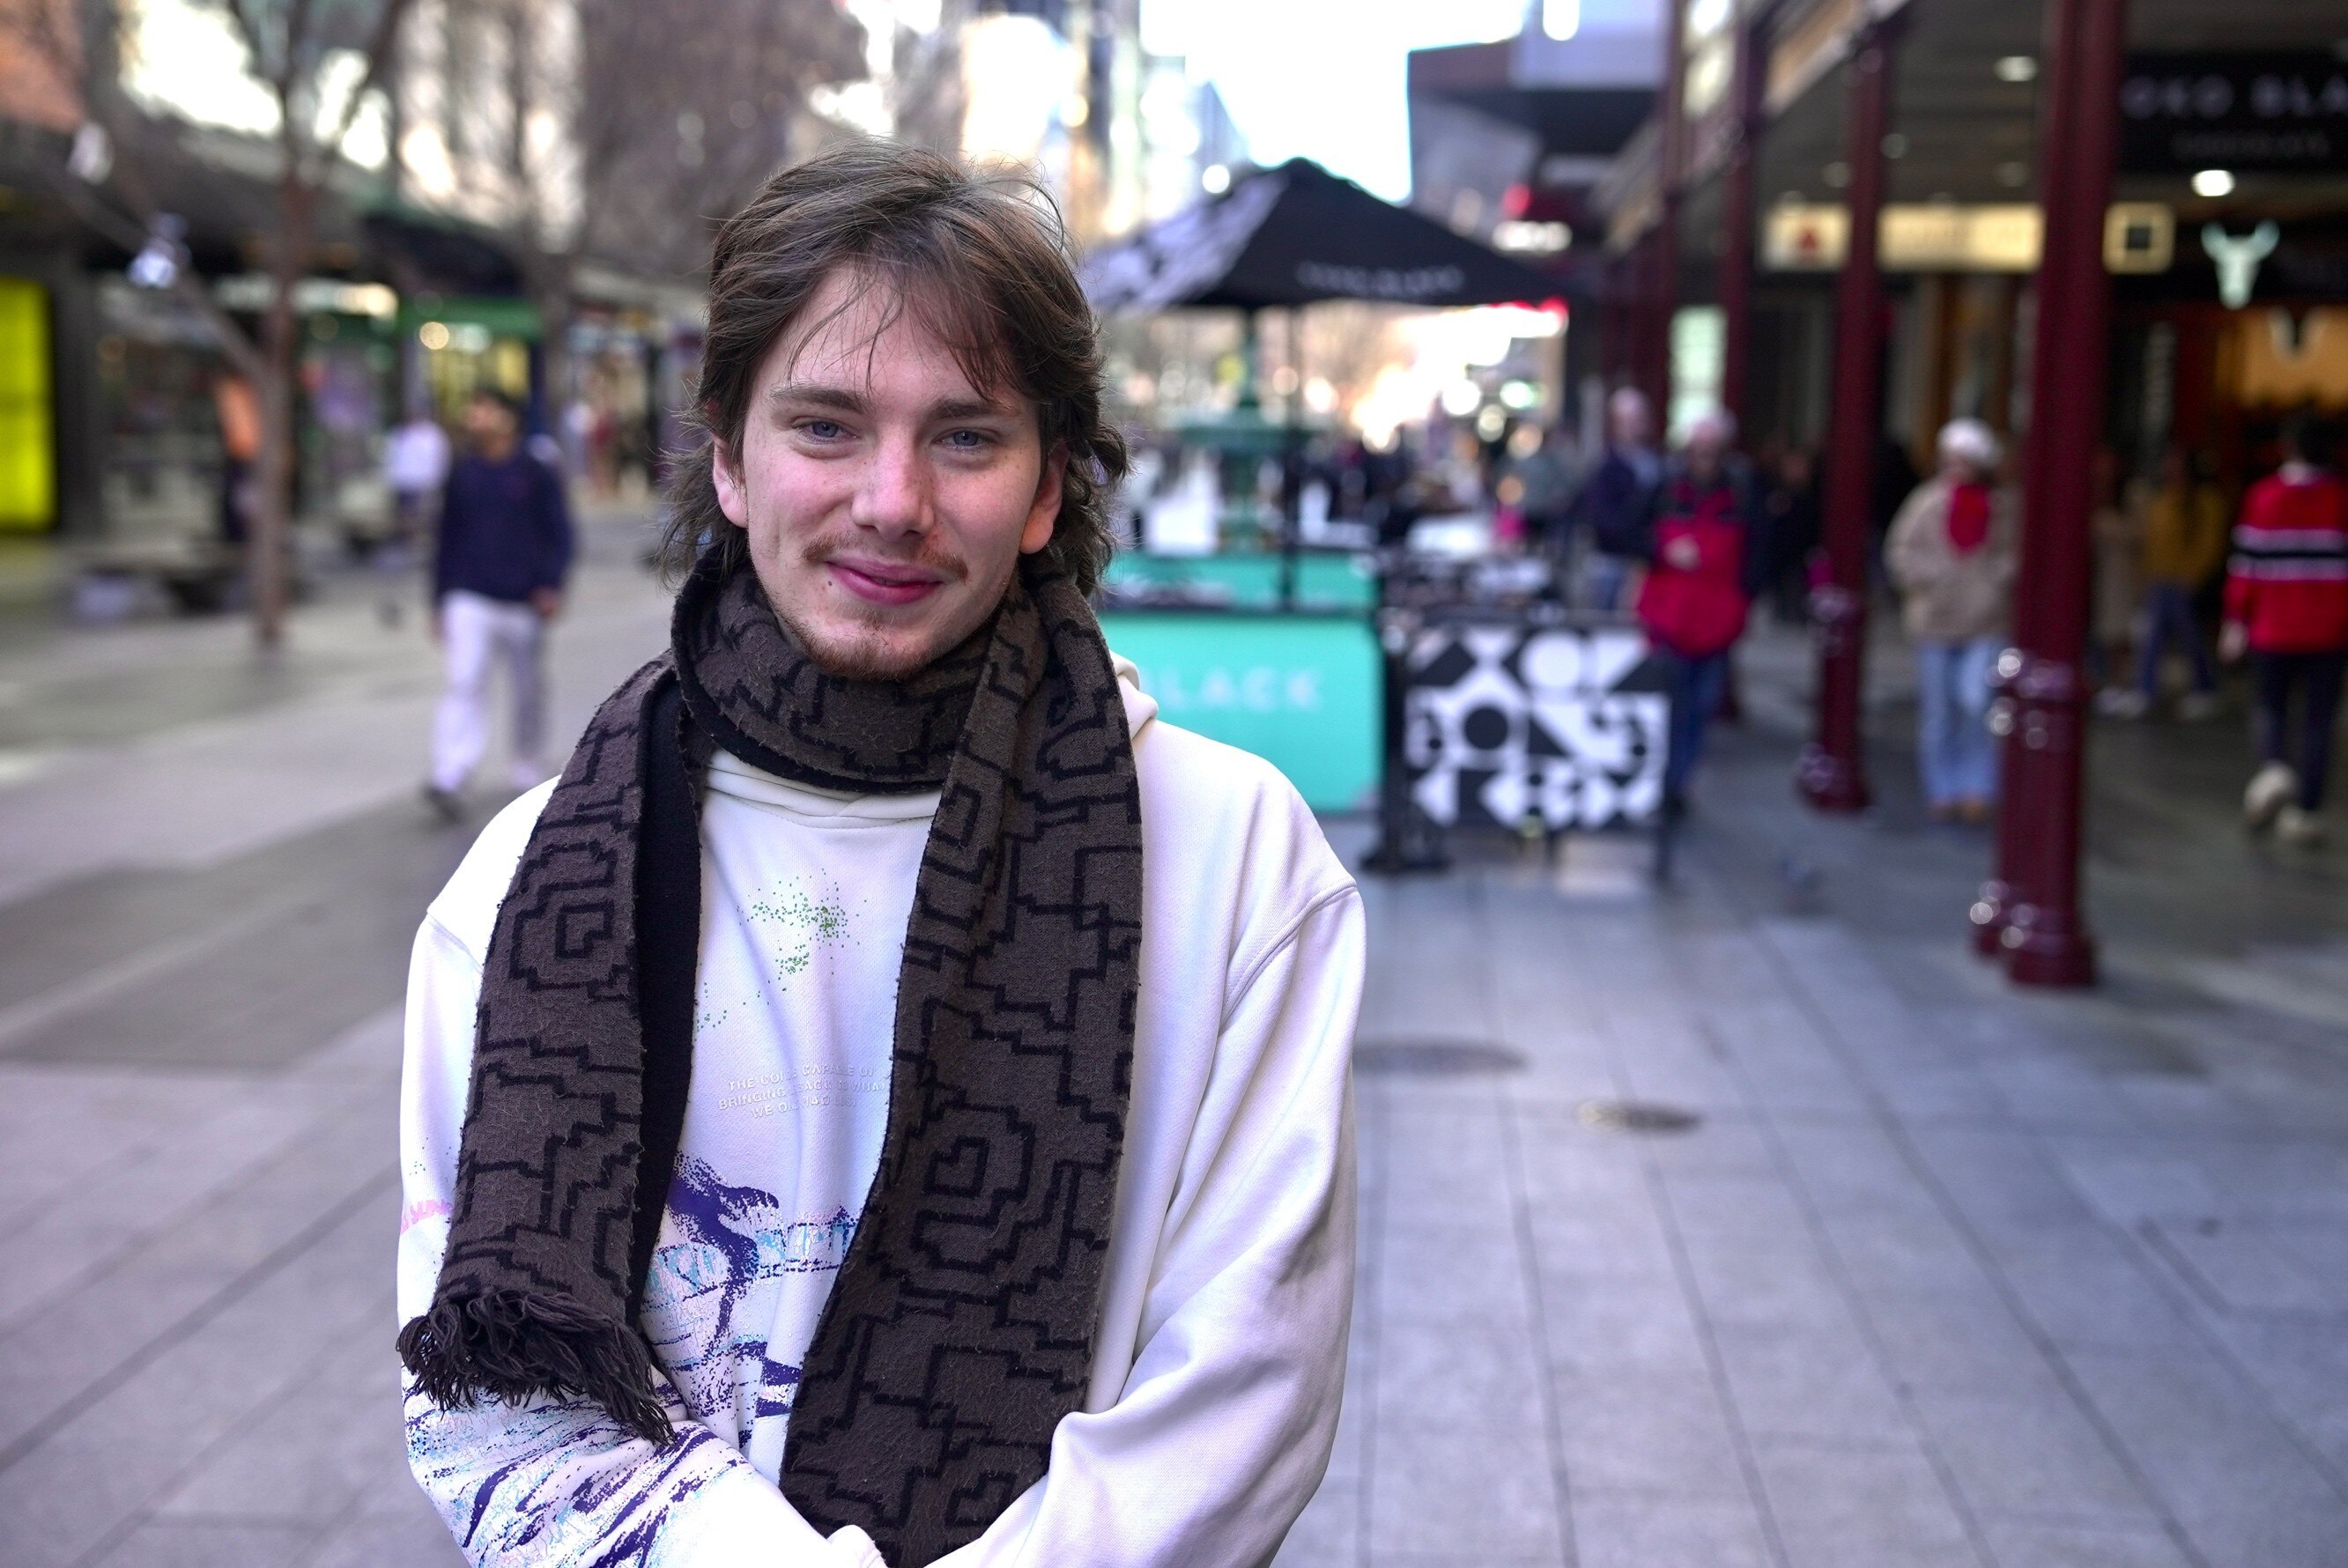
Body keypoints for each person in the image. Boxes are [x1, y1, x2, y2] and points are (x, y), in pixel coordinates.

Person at [395, 144, 1364, 1568]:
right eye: (827, 426)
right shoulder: (526, 886)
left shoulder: (1232, 855)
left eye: (967, 436)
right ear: (727, 457)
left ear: (1049, 490)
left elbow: (1243, 1388)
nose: (894, 500)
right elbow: (491, 1393)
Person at [423, 388, 573, 818]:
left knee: (527, 688)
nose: (476, 417)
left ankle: (526, 761)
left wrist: (551, 583)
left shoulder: (535, 469)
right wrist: (439, 600)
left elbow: (558, 530)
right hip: (468, 597)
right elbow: (446, 537)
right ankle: (451, 772)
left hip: (523, 600)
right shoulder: (463, 471)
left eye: (485, 409)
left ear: (509, 418)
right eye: (474, 408)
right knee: (464, 681)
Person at [1885, 418, 2019, 825]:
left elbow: (2014, 556)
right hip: (1936, 622)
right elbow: (1901, 553)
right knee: (1939, 711)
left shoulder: (2003, 507)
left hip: (1985, 621)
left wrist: (1991, 583)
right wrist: (1933, 580)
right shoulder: (1926, 503)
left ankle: (1978, 784)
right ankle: (1943, 787)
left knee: (1977, 701)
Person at [2222, 415, 2348, 846]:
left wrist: (2236, 619)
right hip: (2329, 633)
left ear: (2287, 447)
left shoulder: (2264, 498)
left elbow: (2246, 566)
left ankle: (2274, 768)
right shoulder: (2340, 500)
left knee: (2270, 708)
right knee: (2318, 722)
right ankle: (2305, 813)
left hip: (2273, 628)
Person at [1635, 407, 1766, 811]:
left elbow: (1759, 550)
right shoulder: (1666, 486)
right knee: (1668, 702)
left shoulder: (1743, 490)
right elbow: (1632, 532)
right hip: (1670, 613)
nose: (1704, 458)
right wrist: (1664, 550)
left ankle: (1678, 782)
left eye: (1712, 449)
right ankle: (1660, 779)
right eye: (1699, 449)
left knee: (1700, 705)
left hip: (1716, 616)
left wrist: (1741, 599)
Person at [2113, 446, 2228, 720]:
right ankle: (2146, 689)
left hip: (2184, 582)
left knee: (2190, 638)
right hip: (2159, 580)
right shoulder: (2161, 499)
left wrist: (2194, 574)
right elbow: (2151, 543)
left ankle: (2204, 688)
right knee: (2151, 638)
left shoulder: (2205, 501)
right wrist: (2144, 574)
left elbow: (2210, 544)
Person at [1566, 386, 1661, 611]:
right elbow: (1602, 517)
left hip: (1648, 563)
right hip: (1612, 562)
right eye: (1626, 420)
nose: (1634, 427)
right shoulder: (1605, 467)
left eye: (1638, 419)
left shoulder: (1656, 464)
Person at [2089, 447, 2143, 713]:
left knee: (2118, 632)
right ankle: (2102, 682)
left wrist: (2102, 524)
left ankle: (2121, 684)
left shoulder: (2132, 495)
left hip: (2119, 575)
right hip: (2093, 574)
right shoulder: (2090, 492)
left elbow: (2139, 533)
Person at [384, 403, 452, 551]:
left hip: (425, 482)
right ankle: (409, 543)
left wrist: (437, 479)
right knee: (406, 516)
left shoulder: (432, 434)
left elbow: (440, 457)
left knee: (425, 516)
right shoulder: (400, 433)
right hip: (404, 482)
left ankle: (424, 544)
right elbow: (392, 456)